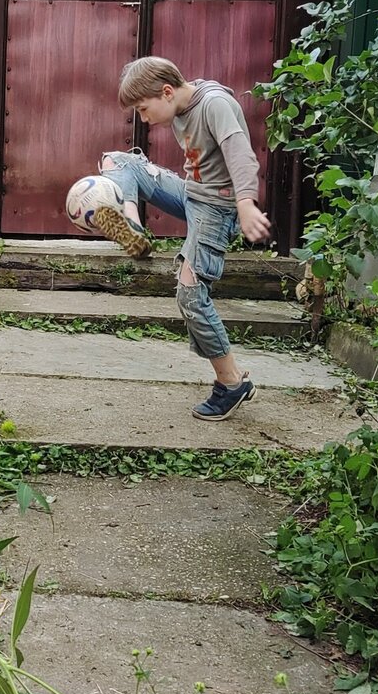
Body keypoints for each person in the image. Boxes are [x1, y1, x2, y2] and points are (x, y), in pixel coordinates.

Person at [94, 57, 272, 421]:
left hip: (217, 208)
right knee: (118, 161)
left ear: (167, 91)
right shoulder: (179, 105)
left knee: (190, 293)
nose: (144, 119)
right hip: (191, 194)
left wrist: (245, 204)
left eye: (143, 109)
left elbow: (241, 155)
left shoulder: (215, 104)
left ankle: (232, 383)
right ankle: (132, 226)